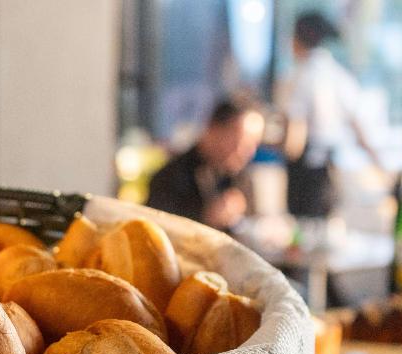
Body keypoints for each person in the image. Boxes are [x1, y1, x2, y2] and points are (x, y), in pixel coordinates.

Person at [278, 11, 383, 217]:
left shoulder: (301, 75)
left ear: (298, 38)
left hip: (305, 171)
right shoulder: (337, 74)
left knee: (303, 229)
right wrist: (379, 163)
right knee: (325, 226)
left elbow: (295, 137)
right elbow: (357, 124)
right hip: (330, 168)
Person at [147, 99, 265, 231]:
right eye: (240, 141)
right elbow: (156, 230)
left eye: (254, 144)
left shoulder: (241, 178)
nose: (248, 152)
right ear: (213, 130)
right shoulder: (169, 179)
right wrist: (205, 217)